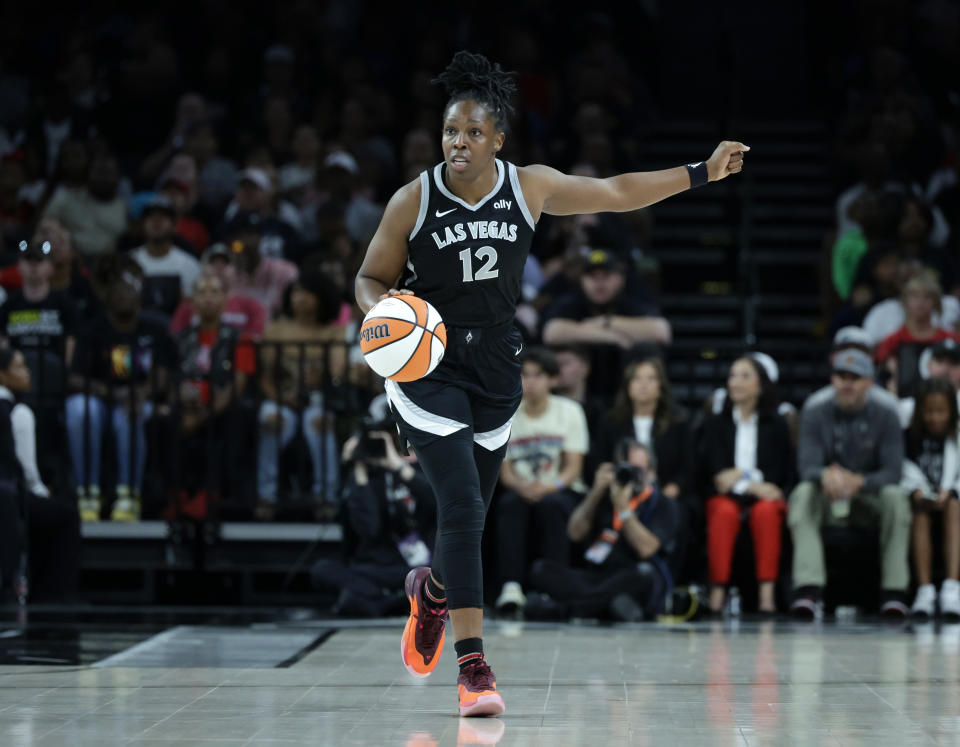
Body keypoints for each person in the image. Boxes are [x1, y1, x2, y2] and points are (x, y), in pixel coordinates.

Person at [354, 50, 747, 716]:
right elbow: (369, 279)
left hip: (497, 369)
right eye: (452, 131)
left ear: (498, 139)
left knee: (467, 519)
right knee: (461, 505)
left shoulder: (528, 186)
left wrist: (701, 172)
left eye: (474, 132)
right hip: (428, 367)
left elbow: (619, 192)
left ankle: (433, 594)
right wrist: (384, 315)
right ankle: (473, 667)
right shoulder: (412, 199)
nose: (460, 142)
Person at [788, 348, 909, 620]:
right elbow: (807, 467)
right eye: (841, 376)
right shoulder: (815, 409)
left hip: (868, 498)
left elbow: (893, 472)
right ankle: (809, 591)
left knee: (896, 498)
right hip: (828, 496)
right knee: (802, 493)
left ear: (869, 382)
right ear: (832, 380)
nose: (847, 384)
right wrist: (825, 476)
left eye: (855, 377)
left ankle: (894, 593)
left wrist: (860, 481)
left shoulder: (887, 413)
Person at [67, 265, 176, 521]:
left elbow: (162, 376)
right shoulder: (92, 329)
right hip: (101, 399)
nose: (125, 296)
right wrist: (109, 392)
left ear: (140, 297)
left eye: (131, 291)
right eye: (119, 291)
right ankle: (88, 492)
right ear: (108, 298)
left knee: (130, 416)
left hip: (139, 400)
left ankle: (129, 495)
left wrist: (141, 392)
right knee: (79, 411)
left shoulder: (154, 330)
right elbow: (74, 377)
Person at [529, 439, 678, 621]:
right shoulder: (604, 497)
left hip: (631, 575)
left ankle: (565, 610)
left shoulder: (662, 503)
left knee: (644, 575)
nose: (630, 476)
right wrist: (595, 491)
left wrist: (623, 509)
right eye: (625, 469)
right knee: (541, 569)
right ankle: (607, 606)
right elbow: (574, 533)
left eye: (637, 470)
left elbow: (647, 548)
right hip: (598, 577)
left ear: (652, 473)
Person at [311, 405, 435, 618]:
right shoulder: (363, 478)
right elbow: (369, 528)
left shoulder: (415, 469)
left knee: (432, 578)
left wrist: (396, 465)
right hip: (372, 568)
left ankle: (377, 600)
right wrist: (358, 470)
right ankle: (391, 599)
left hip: (413, 565)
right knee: (322, 570)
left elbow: (435, 502)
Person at [493, 347, 588, 615]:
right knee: (510, 504)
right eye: (525, 375)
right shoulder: (507, 413)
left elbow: (573, 467)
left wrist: (550, 486)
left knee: (554, 505)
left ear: (552, 380)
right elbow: (505, 470)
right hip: (521, 489)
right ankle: (510, 587)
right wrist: (522, 487)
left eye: (538, 375)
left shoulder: (570, 411)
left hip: (560, 488)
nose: (530, 382)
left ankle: (552, 588)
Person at [699, 357, 795, 615]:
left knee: (767, 512)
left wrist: (740, 476)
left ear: (761, 385)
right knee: (724, 512)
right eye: (732, 376)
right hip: (727, 497)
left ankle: (767, 594)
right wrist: (753, 482)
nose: (736, 382)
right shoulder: (716, 424)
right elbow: (718, 477)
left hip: (764, 498)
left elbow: (778, 478)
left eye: (744, 376)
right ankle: (717, 591)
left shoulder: (776, 425)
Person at [256, 270, 346, 520]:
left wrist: (323, 377)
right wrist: (279, 398)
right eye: (296, 292)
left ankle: (326, 497)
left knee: (319, 423)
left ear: (322, 298)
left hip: (318, 400)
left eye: (307, 293)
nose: (300, 298)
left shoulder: (333, 332)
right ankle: (266, 495)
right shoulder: (275, 330)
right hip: (281, 398)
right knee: (270, 420)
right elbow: (264, 376)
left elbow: (337, 374)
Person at [0, 347, 80, 601]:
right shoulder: (18, 412)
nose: (27, 373)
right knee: (64, 515)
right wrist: (43, 493)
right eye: (20, 367)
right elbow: (26, 470)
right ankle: (54, 594)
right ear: (2, 374)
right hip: (10, 497)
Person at [173, 273, 255, 512]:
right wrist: (185, 407)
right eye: (202, 291)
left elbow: (237, 386)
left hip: (220, 408)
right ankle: (175, 494)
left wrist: (202, 416)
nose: (208, 298)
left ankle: (211, 494)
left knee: (226, 423)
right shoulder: (181, 340)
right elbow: (172, 379)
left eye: (214, 291)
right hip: (187, 408)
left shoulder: (241, 339)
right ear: (192, 300)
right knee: (163, 422)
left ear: (225, 299)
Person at [901, 379, 960, 618]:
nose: (934, 417)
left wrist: (951, 490)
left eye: (940, 411)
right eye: (929, 411)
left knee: (955, 507)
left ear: (951, 411)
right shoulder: (909, 436)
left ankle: (952, 588)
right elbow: (903, 467)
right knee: (920, 513)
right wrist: (916, 489)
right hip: (921, 499)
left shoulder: (957, 436)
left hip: (952, 499)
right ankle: (925, 590)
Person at [875, 270, 960, 396]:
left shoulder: (951, 340)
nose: (920, 302)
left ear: (936, 302)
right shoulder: (892, 341)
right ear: (905, 302)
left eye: (927, 297)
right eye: (914, 296)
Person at [130, 196, 202, 319]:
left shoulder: (190, 265)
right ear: (142, 225)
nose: (156, 221)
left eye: (163, 217)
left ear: (175, 226)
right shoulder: (130, 261)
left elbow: (194, 310)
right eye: (151, 217)